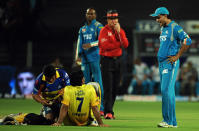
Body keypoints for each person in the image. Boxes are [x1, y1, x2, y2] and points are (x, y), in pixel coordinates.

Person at [150, 7, 191, 128]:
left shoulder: (175, 27)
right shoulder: (163, 28)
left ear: (165, 15)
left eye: (158, 17)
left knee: (165, 90)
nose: (156, 20)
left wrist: (177, 56)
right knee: (169, 92)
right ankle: (173, 122)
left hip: (170, 63)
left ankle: (166, 121)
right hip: (162, 63)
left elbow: (187, 41)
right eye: (155, 18)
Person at [98, 9, 129, 119]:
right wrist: (118, 43)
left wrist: (119, 33)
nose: (113, 21)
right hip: (107, 61)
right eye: (111, 19)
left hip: (118, 61)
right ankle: (108, 112)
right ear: (107, 20)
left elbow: (125, 45)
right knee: (108, 88)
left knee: (115, 87)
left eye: (115, 18)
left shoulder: (121, 31)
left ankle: (109, 111)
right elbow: (105, 46)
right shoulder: (103, 31)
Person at [75, 7, 104, 115]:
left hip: (95, 57)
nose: (90, 16)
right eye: (88, 14)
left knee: (97, 82)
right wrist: (78, 55)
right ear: (86, 15)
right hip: (85, 59)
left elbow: (101, 40)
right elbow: (79, 43)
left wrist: (91, 44)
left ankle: (100, 108)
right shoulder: (82, 28)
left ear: (95, 15)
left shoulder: (98, 26)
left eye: (92, 14)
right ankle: (87, 106)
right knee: (85, 83)